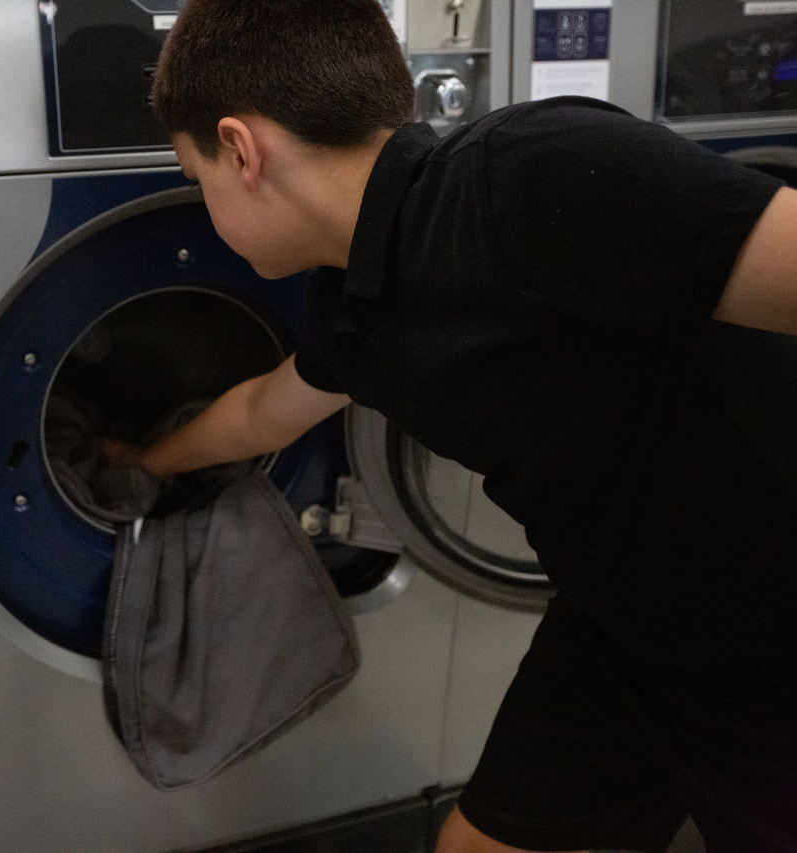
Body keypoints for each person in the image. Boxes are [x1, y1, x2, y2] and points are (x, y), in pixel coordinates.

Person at [102, 1, 797, 850]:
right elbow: (259, 413)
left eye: (192, 176)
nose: (199, 198)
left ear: (241, 150)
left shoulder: (530, 173)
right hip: (626, 625)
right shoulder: (356, 303)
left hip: (769, 639)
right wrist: (145, 457)